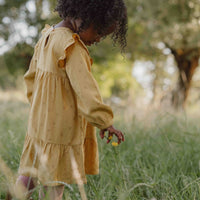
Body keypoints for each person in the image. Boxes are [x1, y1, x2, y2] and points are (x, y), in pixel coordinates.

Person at [12, 0, 127, 199]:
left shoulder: (46, 37)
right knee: (54, 183)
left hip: (38, 125)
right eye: (98, 31)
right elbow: (86, 91)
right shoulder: (72, 47)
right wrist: (105, 122)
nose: (99, 39)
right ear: (84, 17)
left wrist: (39, 106)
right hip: (60, 132)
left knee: (28, 174)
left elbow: (30, 78)